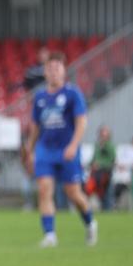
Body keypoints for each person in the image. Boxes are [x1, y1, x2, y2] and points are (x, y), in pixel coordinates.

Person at [22, 52, 96, 247]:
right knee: (44, 190)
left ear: (64, 70)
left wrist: (73, 145)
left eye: (57, 68)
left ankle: (90, 223)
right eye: (50, 68)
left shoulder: (73, 94)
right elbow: (36, 126)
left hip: (67, 150)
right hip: (45, 150)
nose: (54, 72)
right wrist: (30, 149)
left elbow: (81, 122)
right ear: (45, 72)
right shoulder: (39, 97)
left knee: (74, 194)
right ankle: (50, 235)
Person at [89, 125, 116, 212]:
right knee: (98, 193)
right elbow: (93, 158)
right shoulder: (97, 145)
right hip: (96, 174)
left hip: (106, 173)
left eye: (105, 134)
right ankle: (102, 209)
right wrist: (92, 164)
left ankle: (108, 210)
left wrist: (100, 164)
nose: (103, 136)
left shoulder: (110, 146)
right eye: (102, 134)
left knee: (107, 193)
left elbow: (112, 160)